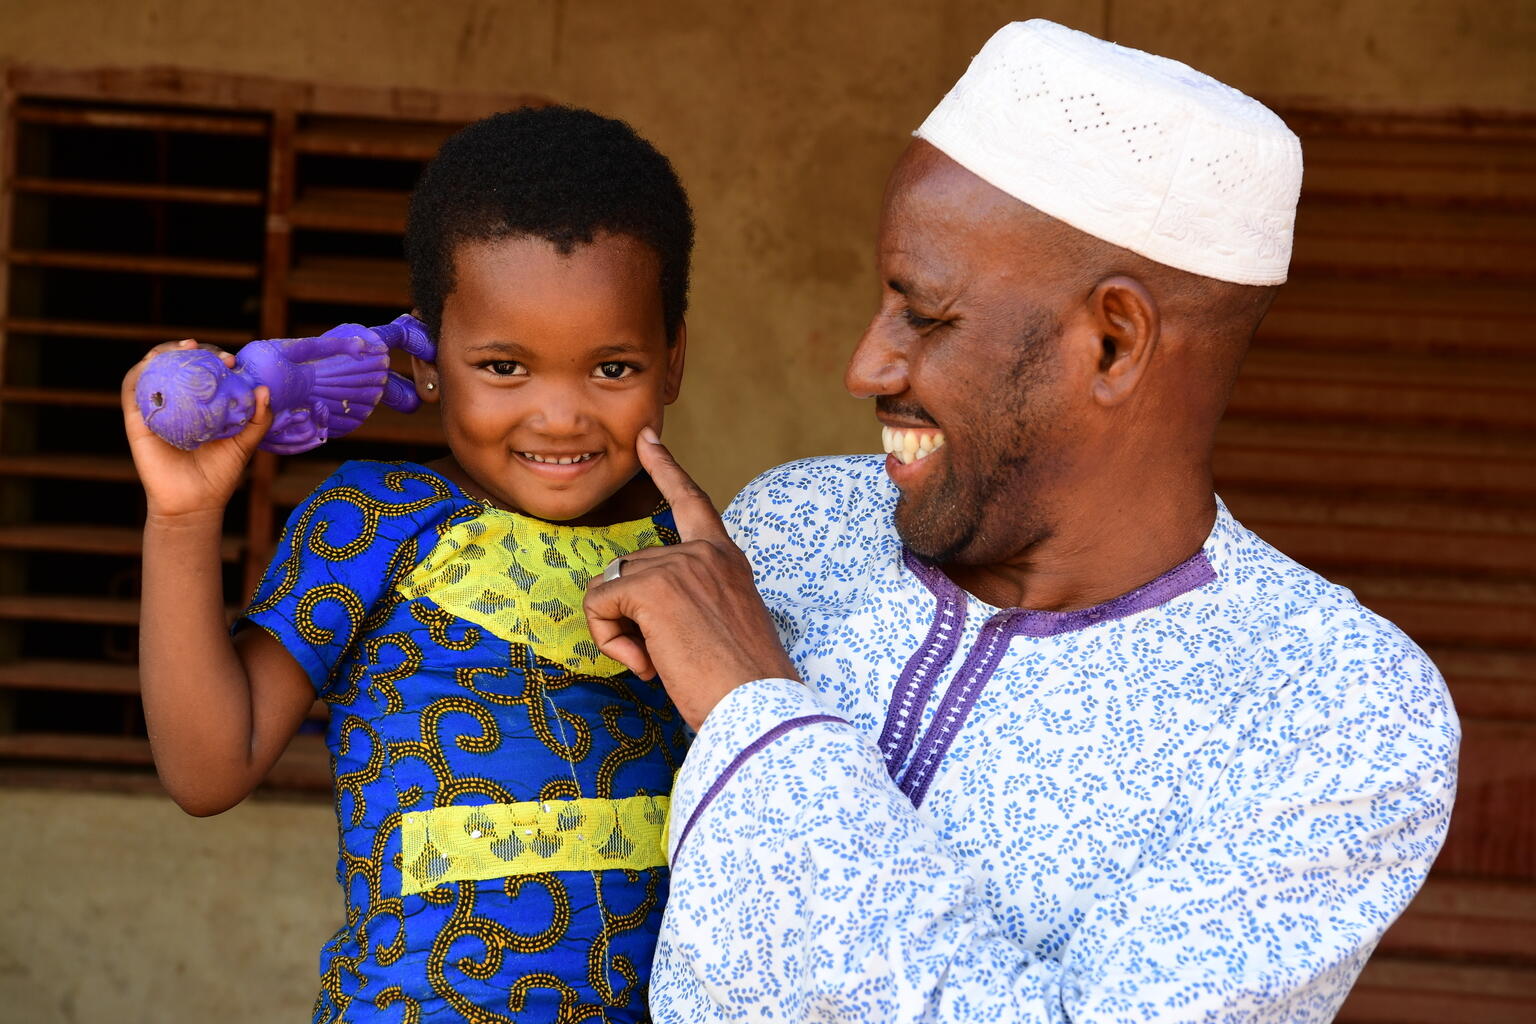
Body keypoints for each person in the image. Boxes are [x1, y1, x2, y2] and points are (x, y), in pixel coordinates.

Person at [581, 21, 1460, 1023]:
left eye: (926, 313)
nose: (865, 366)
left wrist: (757, 712)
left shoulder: (1335, 709)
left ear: (1114, 342)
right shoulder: (795, 526)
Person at [122, 106, 695, 1022]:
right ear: (429, 362)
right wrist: (183, 517)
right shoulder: (375, 522)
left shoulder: (693, 549)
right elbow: (208, 770)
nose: (560, 417)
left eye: (612, 369)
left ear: (672, 360)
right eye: (504, 367)